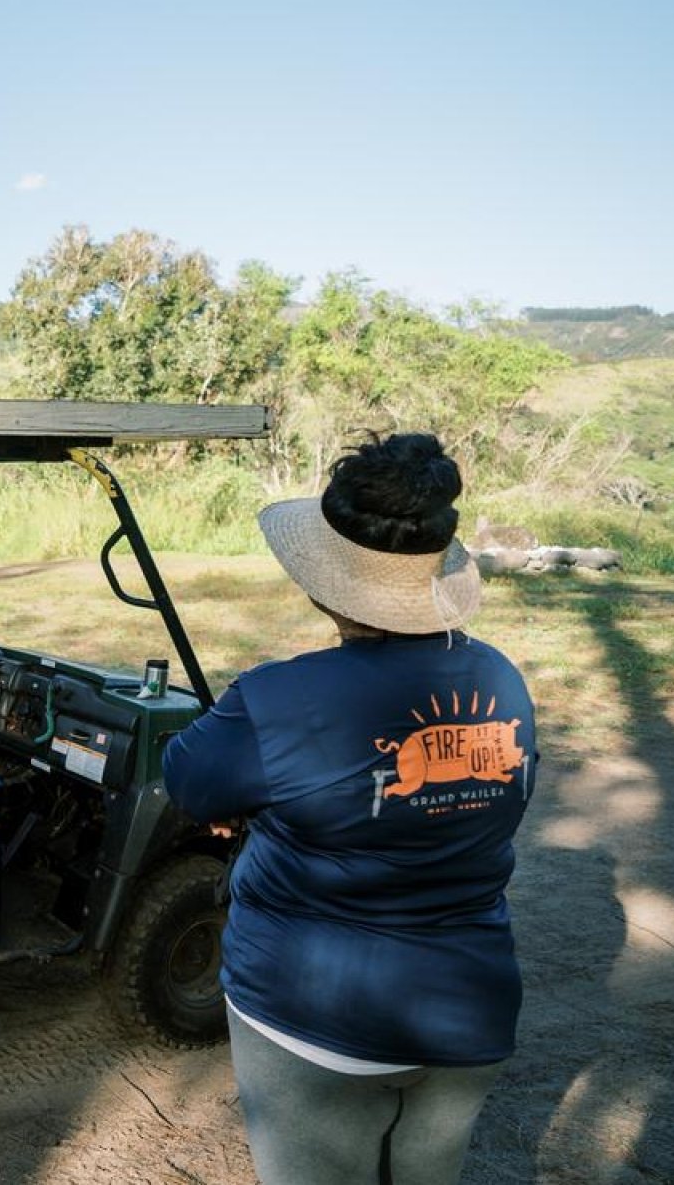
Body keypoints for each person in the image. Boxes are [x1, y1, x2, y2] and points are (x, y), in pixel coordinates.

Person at [161, 433, 538, 1185]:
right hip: (467, 1013)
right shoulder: (501, 678)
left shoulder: (277, 699)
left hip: (315, 1018)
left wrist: (264, 802)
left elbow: (189, 780)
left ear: (323, 582)